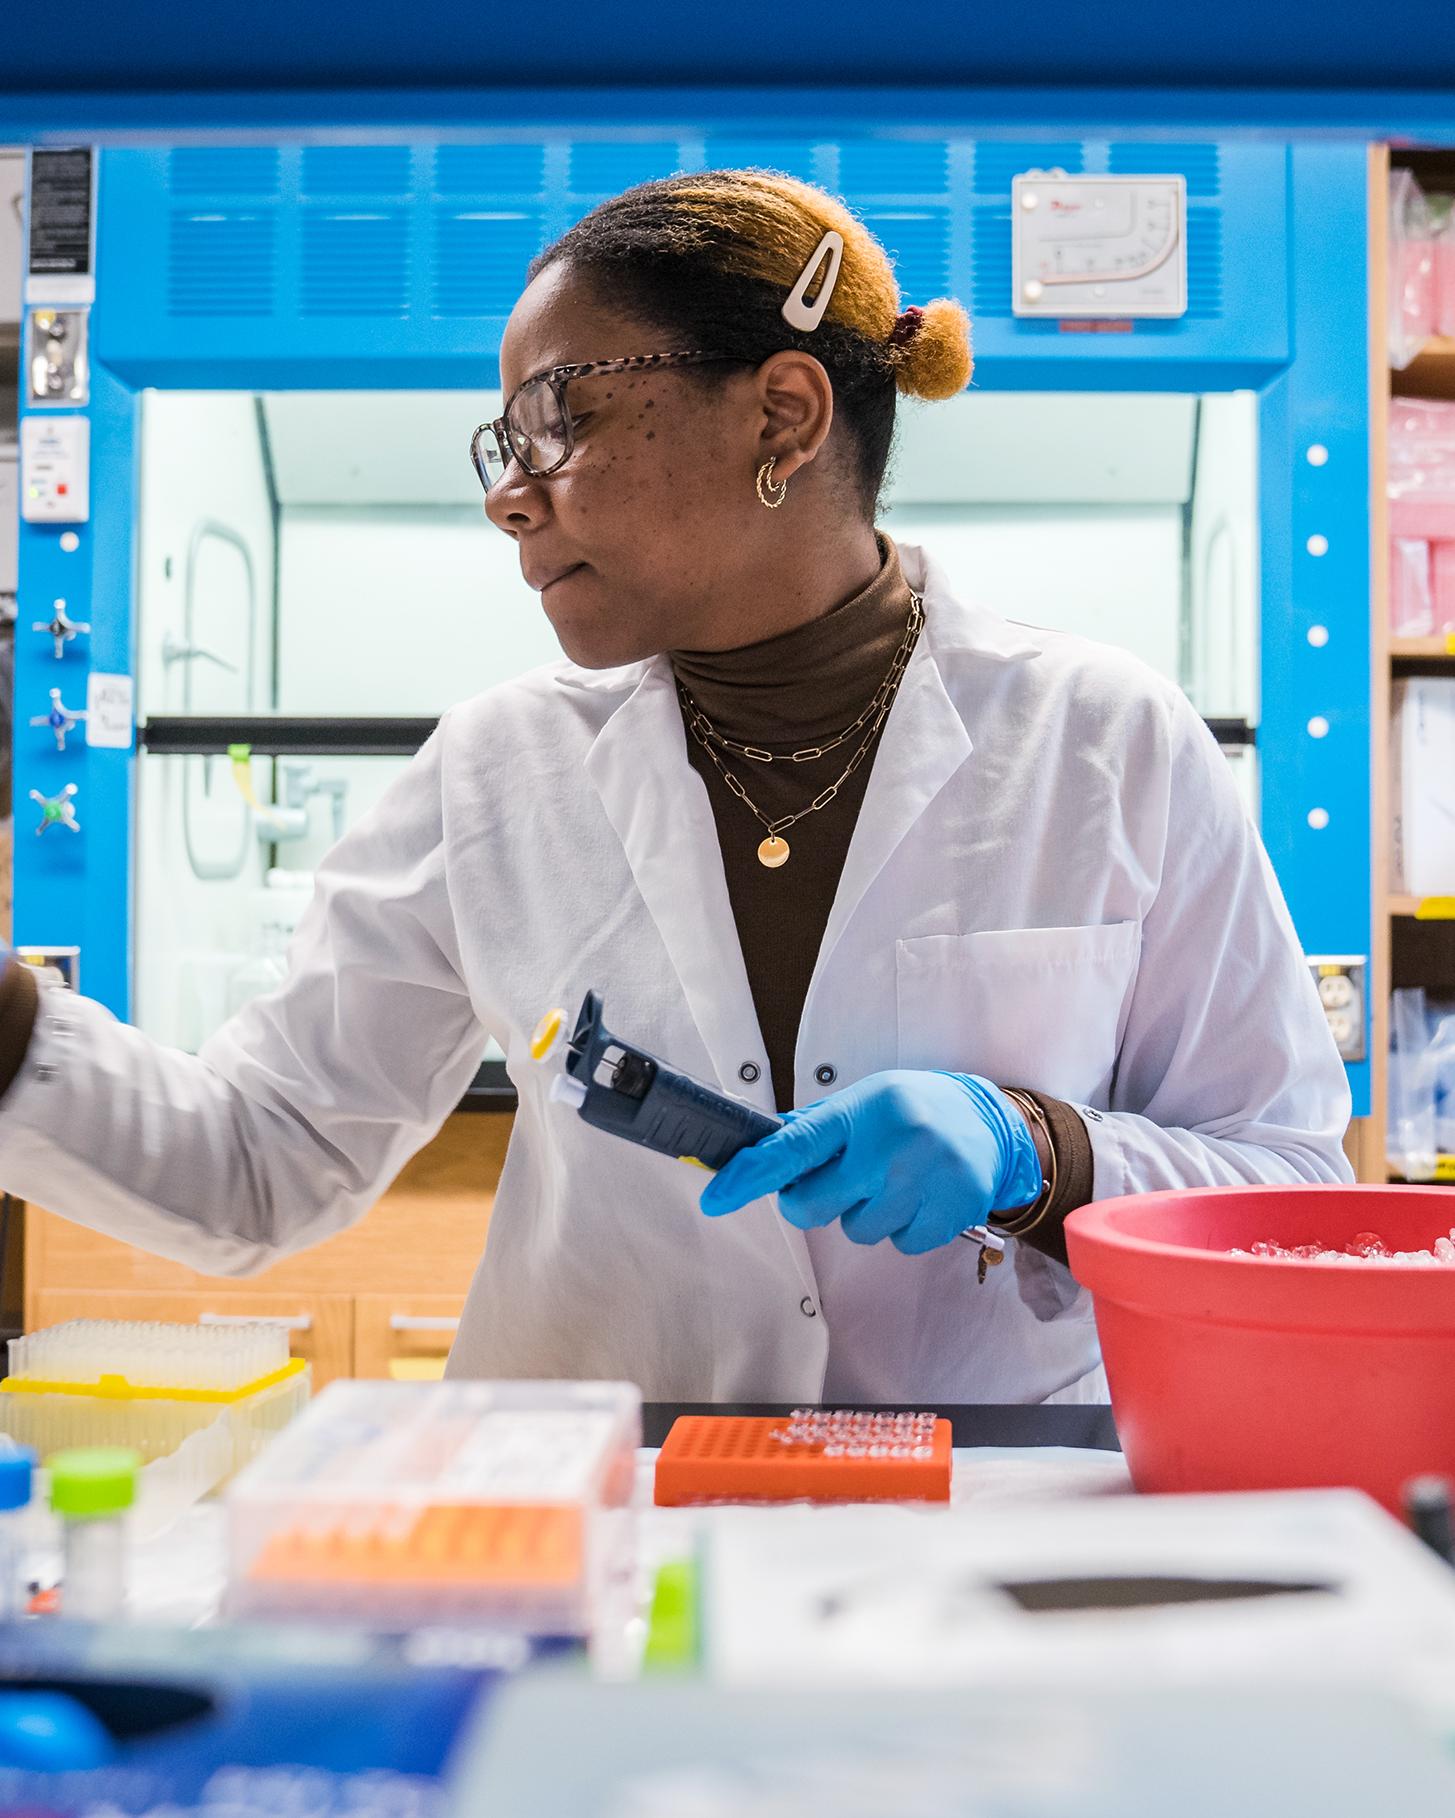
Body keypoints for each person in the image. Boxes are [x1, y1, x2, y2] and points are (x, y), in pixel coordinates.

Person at [0, 171, 1352, 1404]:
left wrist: (1039, 1149)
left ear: (783, 413)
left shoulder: (1104, 742)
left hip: (978, 1533)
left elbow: (1290, 1178)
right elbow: (255, 1160)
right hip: (585, 1531)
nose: (510, 497)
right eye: (502, 443)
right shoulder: (494, 775)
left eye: (557, 420)